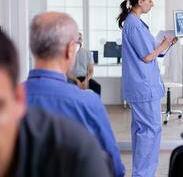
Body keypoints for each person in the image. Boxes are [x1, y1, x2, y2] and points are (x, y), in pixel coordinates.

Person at [0, 30, 113, 177]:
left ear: (19, 99)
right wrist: (78, 81)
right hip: (73, 78)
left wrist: (86, 79)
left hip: (84, 78)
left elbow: (91, 69)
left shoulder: (79, 148)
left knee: (96, 87)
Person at [25, 12, 125, 177]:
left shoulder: (9, 99)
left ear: (33, 48)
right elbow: (115, 169)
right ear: (70, 49)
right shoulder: (88, 102)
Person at [117, 0, 177, 177]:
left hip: (143, 86)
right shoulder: (133, 24)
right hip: (143, 87)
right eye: (150, 0)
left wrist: (165, 45)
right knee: (149, 132)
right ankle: (143, 174)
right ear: (140, 1)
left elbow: (151, 52)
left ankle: (142, 173)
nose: (152, 4)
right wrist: (164, 44)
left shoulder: (135, 23)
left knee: (143, 131)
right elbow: (147, 56)